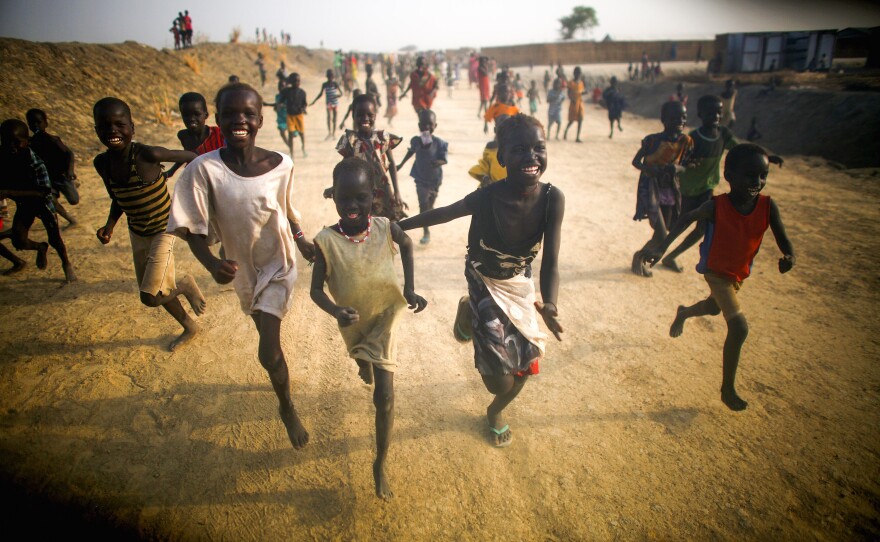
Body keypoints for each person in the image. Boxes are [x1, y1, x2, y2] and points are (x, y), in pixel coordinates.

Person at [398, 114, 564, 448]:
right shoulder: (487, 196)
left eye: (538, 148)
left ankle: (494, 413)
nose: (531, 156)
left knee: (526, 364)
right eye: (519, 150)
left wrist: (550, 304)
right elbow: (445, 212)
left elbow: (551, 262)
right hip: (482, 277)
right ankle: (471, 312)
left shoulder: (552, 198)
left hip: (519, 282)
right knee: (498, 382)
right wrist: (399, 225)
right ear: (502, 158)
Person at [168, 82, 315, 448]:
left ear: (260, 120)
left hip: (279, 262)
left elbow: (288, 210)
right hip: (241, 270)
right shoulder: (203, 170)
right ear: (218, 120)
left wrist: (302, 241)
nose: (240, 120)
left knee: (268, 350)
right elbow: (189, 226)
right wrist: (210, 264)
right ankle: (278, 375)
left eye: (248, 114)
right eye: (230, 114)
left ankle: (286, 406)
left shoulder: (281, 164)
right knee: (262, 330)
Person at [644, 143, 795, 411]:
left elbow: (783, 237)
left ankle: (684, 313)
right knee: (739, 327)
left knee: (714, 308)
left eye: (763, 176)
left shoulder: (768, 207)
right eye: (750, 175)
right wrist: (661, 248)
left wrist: (788, 256)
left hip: (738, 274)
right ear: (729, 177)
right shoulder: (717, 206)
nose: (757, 182)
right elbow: (686, 219)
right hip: (717, 273)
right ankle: (728, 389)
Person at [310, 157, 427, 499]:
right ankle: (363, 360)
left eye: (360, 198)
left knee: (385, 396)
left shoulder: (385, 227)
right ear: (334, 197)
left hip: (386, 317)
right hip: (355, 323)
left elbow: (406, 245)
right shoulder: (325, 242)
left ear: (373, 196)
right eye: (344, 198)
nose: (352, 205)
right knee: (362, 357)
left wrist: (409, 289)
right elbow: (315, 290)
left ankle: (380, 463)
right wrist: (334, 310)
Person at [92, 97, 204, 348]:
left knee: (150, 296)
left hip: (163, 230)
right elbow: (118, 197)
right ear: (96, 130)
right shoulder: (103, 164)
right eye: (105, 126)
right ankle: (190, 327)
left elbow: (192, 155)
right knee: (155, 289)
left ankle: (184, 283)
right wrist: (109, 226)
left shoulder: (147, 154)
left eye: (120, 124)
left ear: (132, 127)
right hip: (138, 232)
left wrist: (192, 186)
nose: (113, 131)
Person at [661, 96, 783, 271]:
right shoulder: (693, 138)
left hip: (707, 188)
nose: (716, 116)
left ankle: (671, 256)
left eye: (719, 112)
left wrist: (766, 157)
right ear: (700, 114)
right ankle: (659, 250)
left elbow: (742, 151)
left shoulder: (724, 134)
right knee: (678, 226)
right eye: (711, 112)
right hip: (688, 189)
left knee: (701, 229)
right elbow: (679, 159)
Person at [0, 119, 75, 282]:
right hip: (24, 204)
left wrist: (8, 192)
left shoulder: (35, 162)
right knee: (19, 241)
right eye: (7, 142)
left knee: (55, 239)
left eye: (17, 142)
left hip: (43, 204)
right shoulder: (4, 157)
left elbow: (43, 192)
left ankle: (66, 263)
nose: (12, 146)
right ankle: (40, 247)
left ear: (27, 141)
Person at [630, 100, 693, 277]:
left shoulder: (686, 142)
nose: (680, 121)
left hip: (670, 191)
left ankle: (641, 257)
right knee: (662, 233)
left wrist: (678, 169)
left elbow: (687, 165)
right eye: (675, 118)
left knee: (663, 233)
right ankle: (639, 256)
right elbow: (636, 162)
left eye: (683, 117)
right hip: (650, 190)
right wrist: (650, 169)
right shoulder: (652, 141)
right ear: (664, 119)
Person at [329, 94, 407, 221]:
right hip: (359, 193)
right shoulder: (350, 140)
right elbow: (343, 168)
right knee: (363, 224)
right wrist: (334, 187)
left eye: (369, 115)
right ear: (353, 116)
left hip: (383, 190)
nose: (365, 119)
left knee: (387, 225)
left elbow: (392, 163)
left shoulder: (383, 138)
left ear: (375, 115)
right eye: (360, 115)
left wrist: (397, 192)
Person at [396, 109, 448, 244]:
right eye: (423, 124)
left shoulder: (440, 143)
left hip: (435, 180)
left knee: (430, 205)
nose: (426, 127)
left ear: (435, 126)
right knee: (423, 205)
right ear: (419, 126)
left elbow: (444, 159)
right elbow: (410, 153)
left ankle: (428, 215)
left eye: (430, 124)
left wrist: (438, 162)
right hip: (420, 179)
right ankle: (426, 231)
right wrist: (400, 165)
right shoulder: (416, 141)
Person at [26, 108, 80, 228]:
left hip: (61, 176)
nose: (35, 125)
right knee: (51, 201)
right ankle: (71, 220)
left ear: (46, 123)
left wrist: (70, 170)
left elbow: (69, 154)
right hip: (47, 179)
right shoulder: (31, 144)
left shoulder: (53, 140)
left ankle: (72, 184)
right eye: (32, 123)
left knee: (74, 200)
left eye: (38, 122)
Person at [468, 114, 509, 188]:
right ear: (495, 130)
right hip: (493, 187)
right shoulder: (491, 146)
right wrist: (485, 178)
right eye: (502, 128)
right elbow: (485, 166)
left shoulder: (519, 148)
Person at [310, 69, 342, 141]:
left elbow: (341, 93)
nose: (330, 78)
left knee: (334, 119)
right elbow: (320, 94)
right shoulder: (324, 84)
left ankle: (333, 133)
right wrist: (314, 101)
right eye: (329, 76)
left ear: (333, 77)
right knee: (328, 117)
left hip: (335, 103)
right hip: (329, 103)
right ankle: (329, 133)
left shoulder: (335, 84)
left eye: (331, 76)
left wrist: (337, 96)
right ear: (327, 76)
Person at [281, 73, 308, 159]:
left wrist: (303, 109)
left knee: (301, 133)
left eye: (298, 81)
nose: (297, 82)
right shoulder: (286, 91)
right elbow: (281, 101)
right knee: (290, 134)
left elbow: (304, 103)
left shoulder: (302, 92)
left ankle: (303, 148)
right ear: (291, 82)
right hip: (290, 116)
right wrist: (281, 105)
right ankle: (292, 153)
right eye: (295, 81)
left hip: (299, 115)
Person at [563, 67, 587, 142]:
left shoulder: (581, 83)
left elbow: (581, 92)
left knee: (580, 119)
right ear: (574, 74)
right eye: (577, 73)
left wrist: (584, 93)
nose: (578, 75)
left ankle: (577, 137)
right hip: (573, 103)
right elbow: (569, 93)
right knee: (572, 120)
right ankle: (566, 131)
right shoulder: (571, 83)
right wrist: (572, 99)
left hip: (580, 103)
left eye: (579, 73)